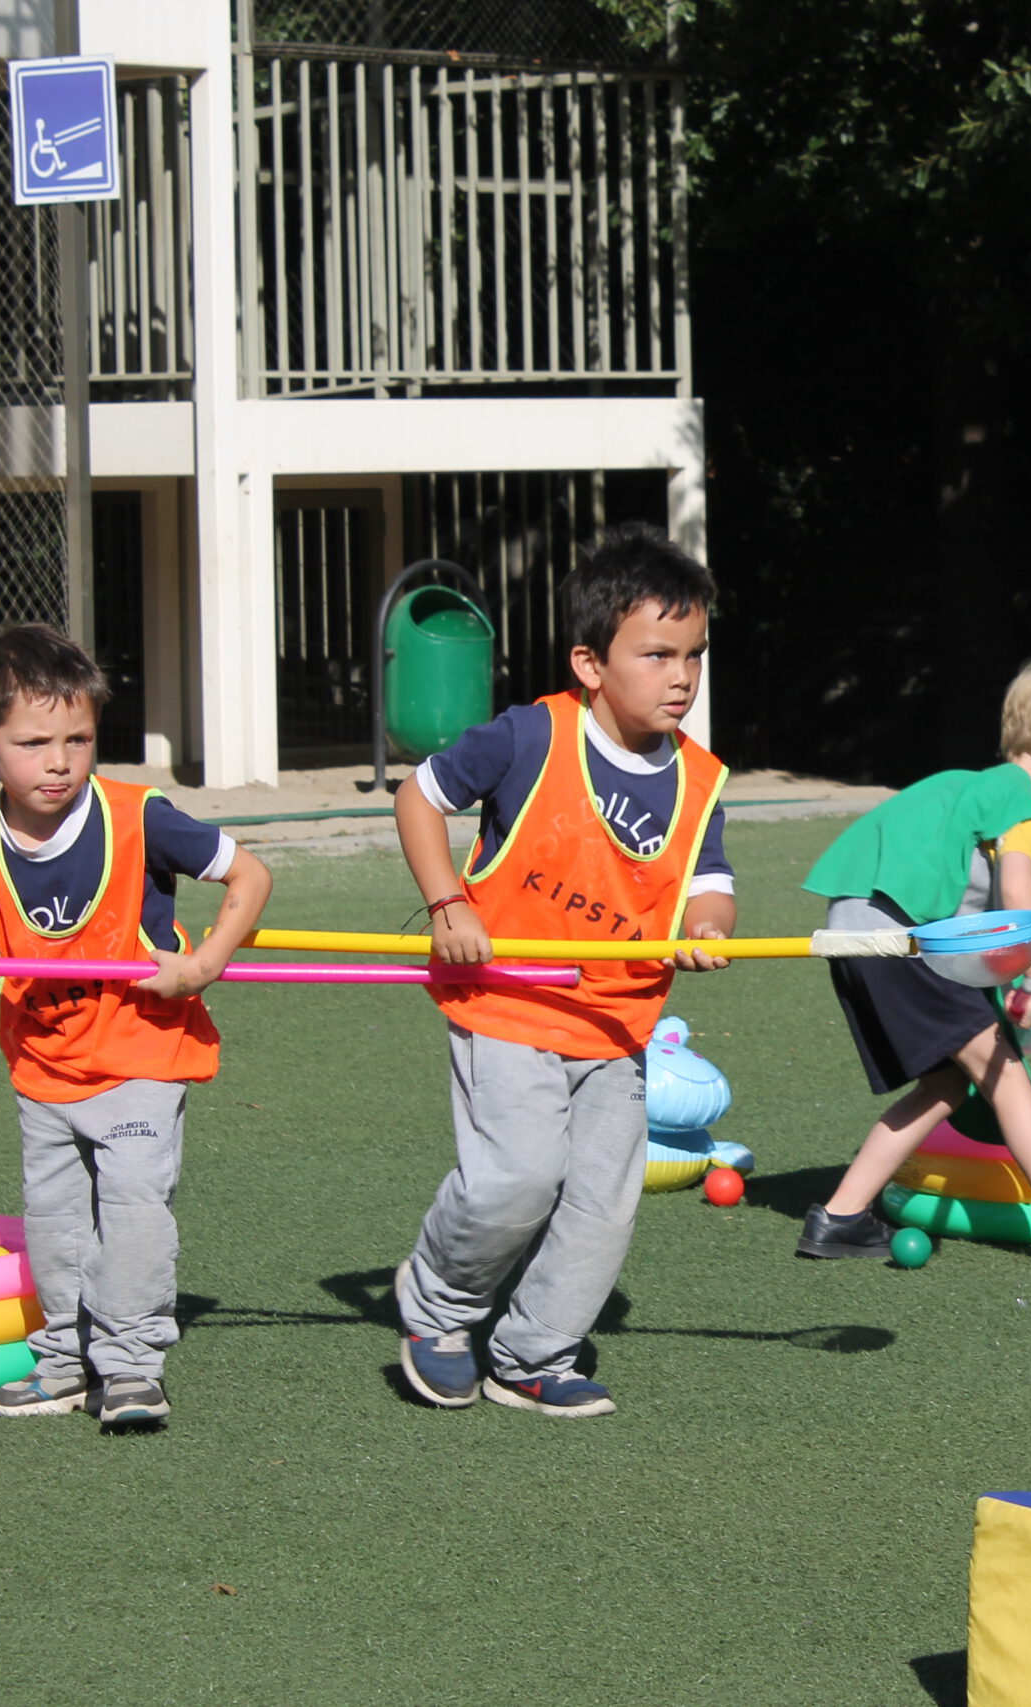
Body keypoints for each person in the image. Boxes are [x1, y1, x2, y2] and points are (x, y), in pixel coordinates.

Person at [393, 523, 733, 1419]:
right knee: (517, 1178)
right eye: (656, 654)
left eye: (694, 654)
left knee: (602, 1204)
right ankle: (439, 1307)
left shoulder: (700, 780)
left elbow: (710, 882)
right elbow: (418, 797)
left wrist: (706, 925)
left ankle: (535, 1351)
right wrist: (448, 905)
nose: (682, 676)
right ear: (590, 663)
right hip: (506, 1003)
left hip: (618, 1026)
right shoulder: (529, 735)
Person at [0, 623, 273, 1426]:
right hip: (44, 1066)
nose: (59, 761)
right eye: (33, 743)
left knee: (133, 1208)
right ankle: (64, 1361)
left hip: (142, 1053)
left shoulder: (141, 816)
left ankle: (132, 1365)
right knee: (55, 1223)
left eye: (78, 739)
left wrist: (202, 964)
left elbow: (250, 875)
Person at [795, 658, 1031, 1275]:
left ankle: (841, 1217)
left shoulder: (963, 786)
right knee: (1005, 1071)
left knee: (949, 1083)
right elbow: (1018, 887)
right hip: (905, 936)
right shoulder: (1022, 808)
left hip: (852, 932)